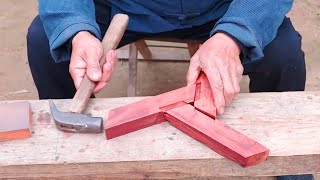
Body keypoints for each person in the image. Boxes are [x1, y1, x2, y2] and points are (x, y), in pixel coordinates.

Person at [27, 1, 312, 179]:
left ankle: (290, 169)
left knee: (284, 54)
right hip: (126, 6)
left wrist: (236, 32)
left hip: (222, 9)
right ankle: (68, 157)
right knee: (44, 38)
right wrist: (76, 28)